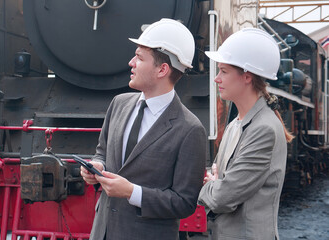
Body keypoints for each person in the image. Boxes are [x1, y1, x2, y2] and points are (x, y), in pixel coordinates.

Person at [80, 18, 207, 240]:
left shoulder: (190, 129)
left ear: (162, 70)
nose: (131, 62)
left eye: (139, 57)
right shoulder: (118, 103)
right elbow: (102, 151)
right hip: (103, 232)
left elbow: (185, 202)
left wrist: (131, 192)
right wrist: (96, 166)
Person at [198, 28, 294, 240]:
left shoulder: (263, 130)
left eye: (223, 71)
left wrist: (210, 184)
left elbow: (222, 197)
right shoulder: (236, 124)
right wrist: (215, 182)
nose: (216, 79)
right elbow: (219, 183)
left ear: (247, 77)